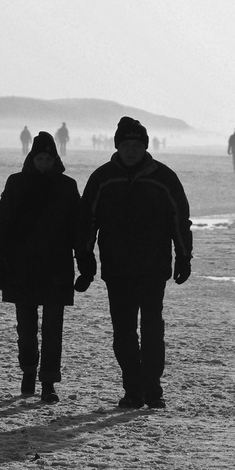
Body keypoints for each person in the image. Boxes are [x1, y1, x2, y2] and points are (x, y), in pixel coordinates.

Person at [76, 116, 192, 410]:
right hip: (117, 268)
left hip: (153, 267)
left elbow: (179, 220)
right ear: (117, 146)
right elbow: (87, 222)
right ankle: (133, 389)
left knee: (153, 328)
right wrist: (86, 260)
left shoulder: (163, 178)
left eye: (136, 145)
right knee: (124, 331)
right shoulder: (103, 178)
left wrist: (184, 256)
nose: (131, 150)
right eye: (126, 145)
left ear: (145, 147)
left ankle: (152, 389)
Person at [0, 130, 81, 404]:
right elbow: (2, 225)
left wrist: (86, 262)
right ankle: (29, 372)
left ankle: (49, 382)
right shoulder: (16, 183)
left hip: (57, 268)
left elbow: (79, 228)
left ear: (56, 159)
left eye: (49, 158)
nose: (44, 163)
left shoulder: (67, 186)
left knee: (54, 330)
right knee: (27, 330)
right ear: (32, 158)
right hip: (22, 268)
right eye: (40, 158)